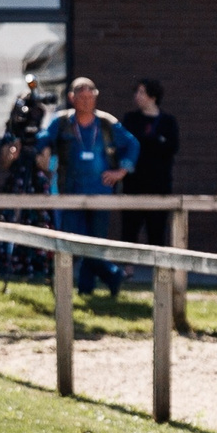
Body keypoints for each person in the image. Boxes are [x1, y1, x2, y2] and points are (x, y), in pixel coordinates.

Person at [36, 77, 139, 296]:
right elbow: (43, 137)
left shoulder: (106, 123)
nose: (85, 102)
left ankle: (86, 289)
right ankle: (113, 274)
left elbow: (132, 144)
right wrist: (43, 151)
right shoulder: (63, 122)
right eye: (80, 97)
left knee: (95, 242)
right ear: (72, 98)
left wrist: (121, 171)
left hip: (101, 192)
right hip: (71, 191)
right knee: (76, 239)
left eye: (89, 97)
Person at [118, 79, 182, 248]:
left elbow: (171, 147)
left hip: (159, 185)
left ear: (153, 97)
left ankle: (159, 272)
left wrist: (152, 142)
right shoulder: (131, 119)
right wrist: (153, 142)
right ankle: (128, 270)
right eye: (136, 92)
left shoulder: (168, 121)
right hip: (134, 184)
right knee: (129, 229)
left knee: (157, 230)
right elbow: (125, 145)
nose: (137, 96)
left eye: (141, 92)